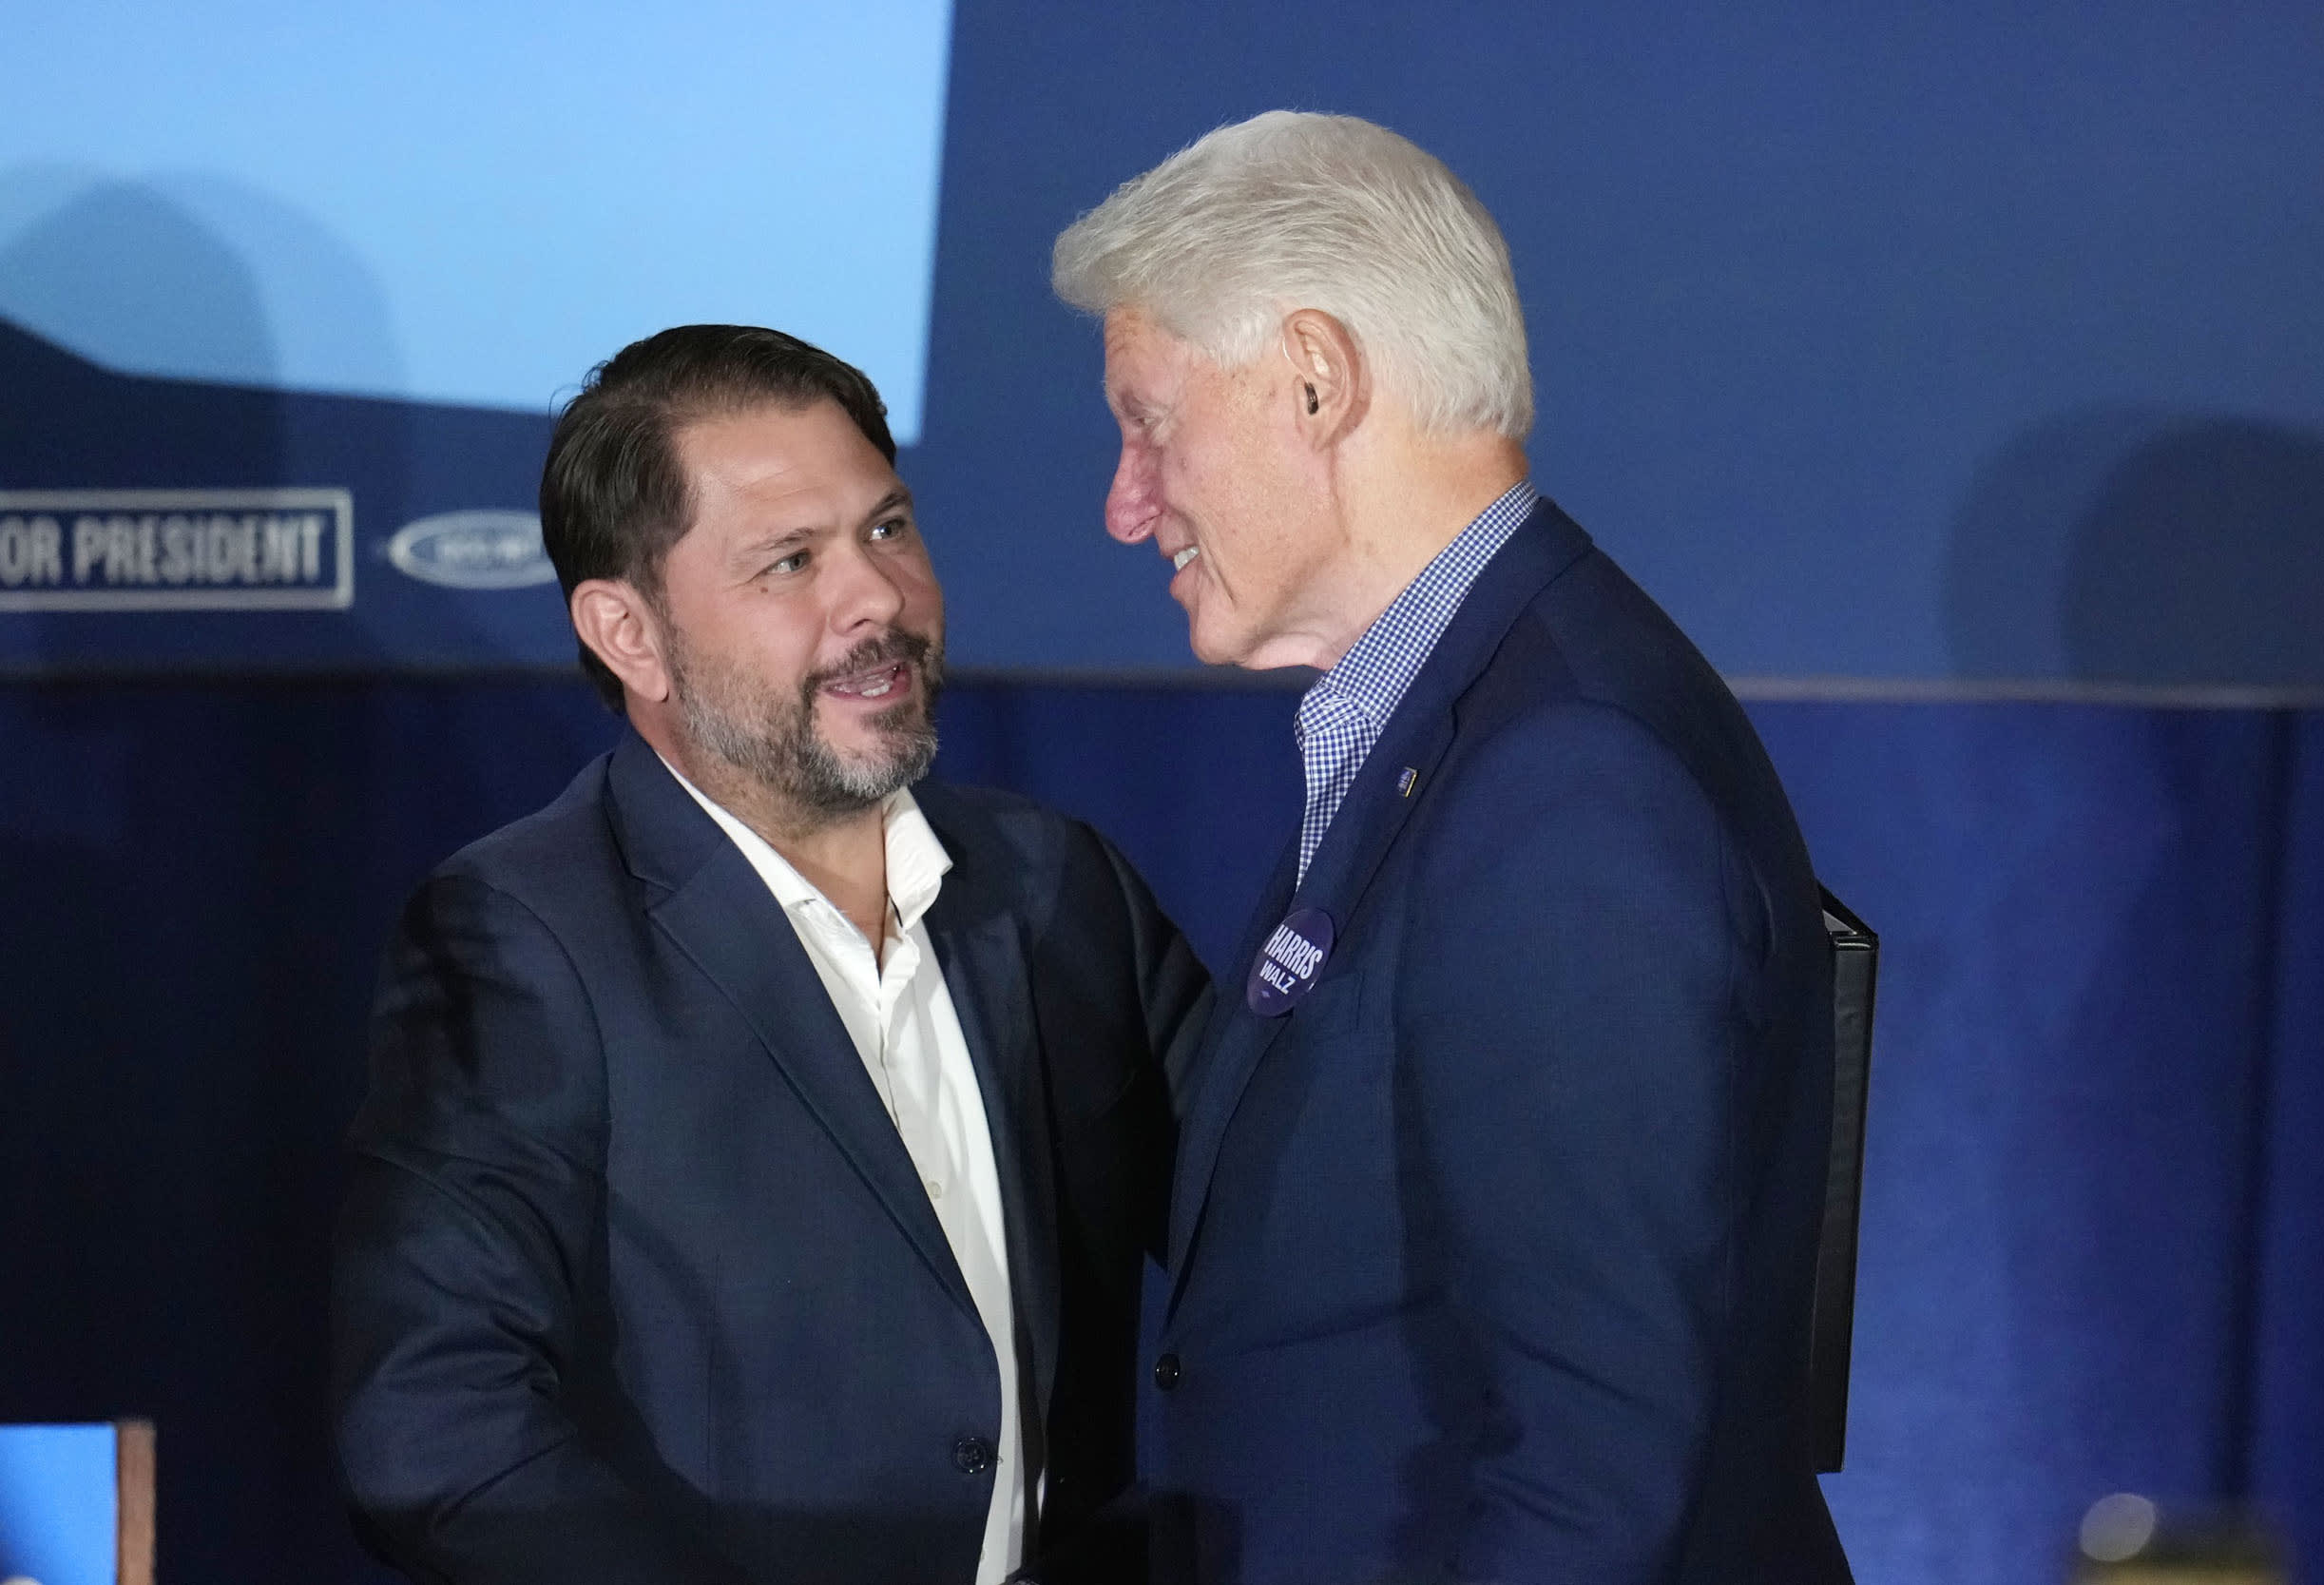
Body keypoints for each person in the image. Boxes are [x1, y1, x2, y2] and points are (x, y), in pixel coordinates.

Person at [1051, 112, 1854, 1584]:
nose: (1124, 503)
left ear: (1317, 379)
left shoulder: (1567, 779)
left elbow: (1594, 1466)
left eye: (1150, 421)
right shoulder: (1469, 719)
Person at [332, 325, 1204, 1585]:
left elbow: (1285, 1234)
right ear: (629, 634)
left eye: (887, 528)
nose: (877, 599)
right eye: (791, 561)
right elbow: (432, 1426)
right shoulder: (526, 939)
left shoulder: (1055, 884)